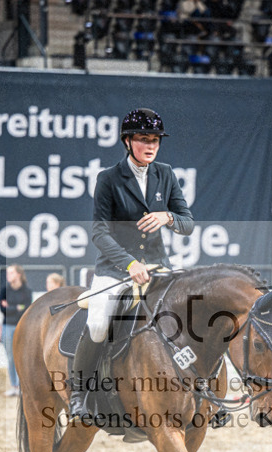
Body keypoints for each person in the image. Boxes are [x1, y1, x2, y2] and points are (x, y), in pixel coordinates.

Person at [69, 108, 194, 420]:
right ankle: (79, 393)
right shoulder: (109, 179)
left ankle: (206, 390)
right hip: (116, 269)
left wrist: (168, 217)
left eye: (154, 140)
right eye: (143, 139)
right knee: (98, 323)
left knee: (195, 314)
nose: (150, 145)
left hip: (158, 267)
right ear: (127, 141)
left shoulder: (165, 174)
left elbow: (188, 223)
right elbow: (99, 232)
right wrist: (128, 265)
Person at [0, 264, 33, 397]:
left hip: (22, 326)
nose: (9, 276)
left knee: (22, 356)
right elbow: (3, 309)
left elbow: (26, 309)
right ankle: (14, 385)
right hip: (7, 326)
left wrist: (11, 307)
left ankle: (22, 385)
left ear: (19, 274)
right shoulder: (4, 290)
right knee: (10, 357)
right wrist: (17, 307)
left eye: (11, 273)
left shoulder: (27, 291)